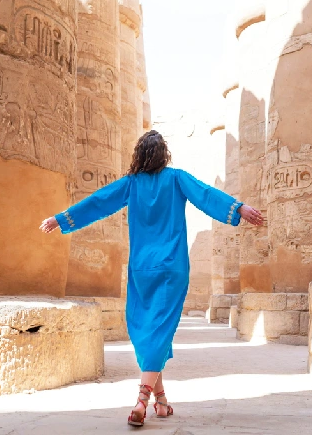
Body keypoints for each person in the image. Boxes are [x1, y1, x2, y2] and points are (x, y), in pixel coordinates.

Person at [39, 130, 264, 428]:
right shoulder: (176, 178)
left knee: (148, 329)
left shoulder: (131, 185)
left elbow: (99, 202)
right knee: (158, 330)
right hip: (172, 267)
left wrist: (61, 219)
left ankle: (156, 400)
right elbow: (206, 195)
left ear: (139, 155)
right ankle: (148, 399)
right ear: (164, 155)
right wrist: (239, 209)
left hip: (142, 268)